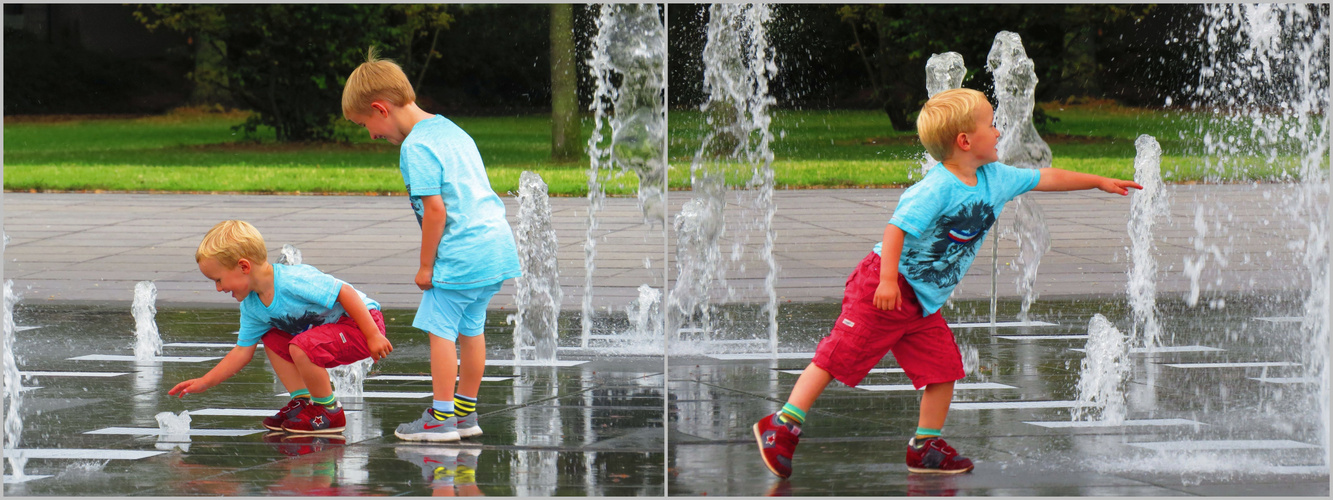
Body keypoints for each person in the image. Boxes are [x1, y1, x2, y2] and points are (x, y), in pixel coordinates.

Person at [753, 88, 1142, 477]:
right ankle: (782, 424)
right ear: (965, 141)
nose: (998, 129)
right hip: (885, 288)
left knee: (943, 370)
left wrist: (1098, 181)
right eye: (991, 124)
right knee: (838, 355)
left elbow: (1045, 177)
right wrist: (887, 280)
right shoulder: (936, 188)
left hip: (923, 301)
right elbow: (895, 230)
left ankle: (925, 446)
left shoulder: (996, 178)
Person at [342, 47, 521, 442]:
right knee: (471, 330)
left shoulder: (416, 147)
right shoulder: (449, 129)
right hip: (494, 245)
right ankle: (465, 414)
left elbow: (436, 211)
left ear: (380, 108)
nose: (371, 134)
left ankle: (440, 419)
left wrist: (426, 267)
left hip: (462, 251)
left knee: (440, 331)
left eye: (365, 124)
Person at [170, 220, 393, 434]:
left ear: (243, 267)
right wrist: (204, 382)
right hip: (329, 334)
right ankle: (303, 401)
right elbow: (241, 351)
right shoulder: (252, 306)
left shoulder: (293, 280)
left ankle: (329, 410)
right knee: (272, 337)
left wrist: (372, 335)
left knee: (302, 346)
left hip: (361, 324)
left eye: (218, 280)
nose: (218, 288)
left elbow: (345, 292)